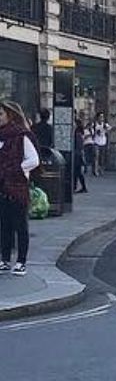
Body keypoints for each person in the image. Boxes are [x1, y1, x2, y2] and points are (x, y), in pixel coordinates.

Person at [0, 100, 39, 275]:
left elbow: (33, 160)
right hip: (2, 186)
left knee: (20, 225)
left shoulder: (21, 136)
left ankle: (21, 261)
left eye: (1, 114)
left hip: (17, 187)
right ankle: (4, 259)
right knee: (4, 225)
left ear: (10, 115)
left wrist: (18, 170)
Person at [72, 120, 88, 193]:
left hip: (76, 155)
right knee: (77, 172)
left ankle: (76, 187)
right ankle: (79, 187)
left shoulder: (77, 135)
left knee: (76, 172)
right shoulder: (80, 134)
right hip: (79, 155)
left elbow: (78, 146)